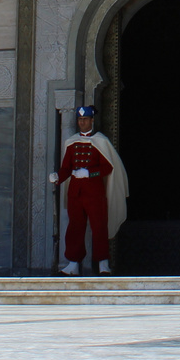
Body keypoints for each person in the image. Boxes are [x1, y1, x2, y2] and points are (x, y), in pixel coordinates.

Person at [48, 105, 128, 276]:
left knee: (99, 227)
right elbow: (66, 168)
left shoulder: (101, 141)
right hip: (76, 193)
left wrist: (90, 173)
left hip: (95, 193)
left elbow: (108, 167)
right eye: (79, 119)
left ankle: (103, 263)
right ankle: (73, 264)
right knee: (75, 227)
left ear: (92, 120)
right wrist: (57, 177)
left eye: (85, 119)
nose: (82, 122)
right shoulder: (71, 142)